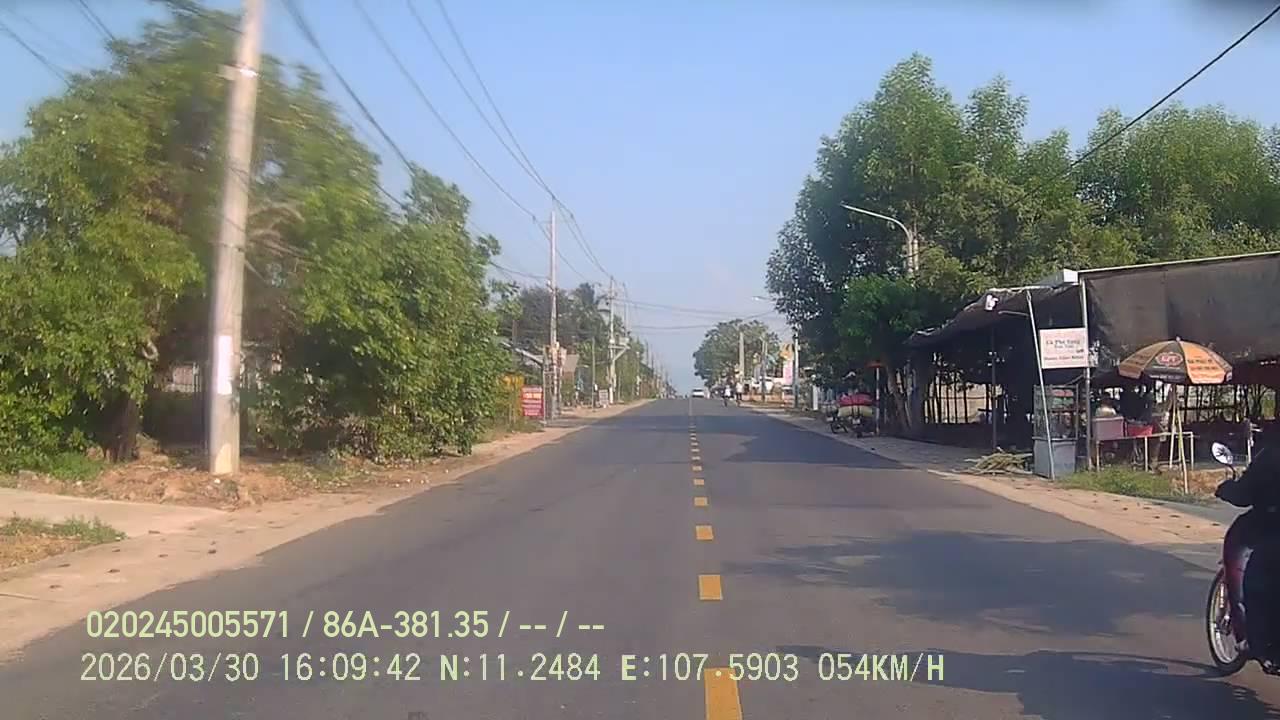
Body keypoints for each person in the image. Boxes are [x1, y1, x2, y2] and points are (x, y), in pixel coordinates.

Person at [1216, 425, 1280, 670]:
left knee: (1254, 581)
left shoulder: (1272, 454)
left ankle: (1258, 643)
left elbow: (1244, 493)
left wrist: (1226, 488)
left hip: (1270, 524)